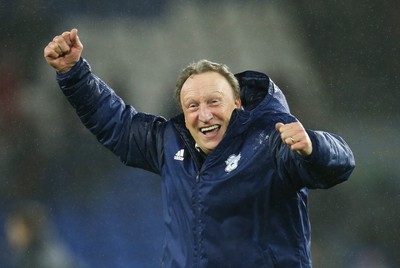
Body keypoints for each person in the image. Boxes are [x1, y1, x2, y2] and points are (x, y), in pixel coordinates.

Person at [44, 28, 355, 268]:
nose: (203, 114)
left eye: (213, 102)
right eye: (192, 105)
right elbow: (118, 123)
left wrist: (315, 146)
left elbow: (340, 164)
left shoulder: (270, 141)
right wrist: (73, 73)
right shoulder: (170, 143)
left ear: (237, 103)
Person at [4, 200, 85, 268]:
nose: (9, 232)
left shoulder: (49, 259)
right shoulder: (23, 256)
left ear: (29, 229)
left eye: (15, 226)